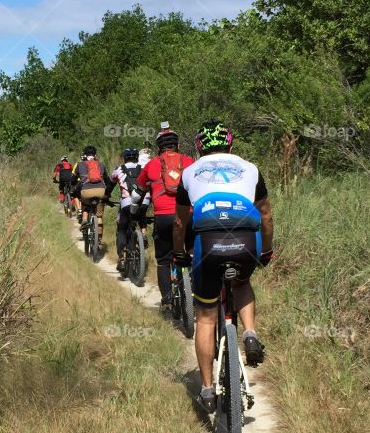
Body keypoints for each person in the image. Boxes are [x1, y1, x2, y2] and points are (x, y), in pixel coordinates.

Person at [172, 121, 274, 413]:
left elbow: (180, 223)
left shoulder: (190, 172)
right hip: (245, 238)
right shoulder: (251, 168)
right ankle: (250, 334)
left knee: (205, 317)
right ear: (231, 143)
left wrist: (179, 254)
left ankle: (206, 389)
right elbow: (266, 217)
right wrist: (266, 250)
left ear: (200, 146)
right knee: (241, 283)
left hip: (209, 241)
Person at [130, 123, 194, 308]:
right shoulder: (189, 161)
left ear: (159, 148)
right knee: (193, 252)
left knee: (164, 260)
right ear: (178, 146)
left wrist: (135, 211)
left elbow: (137, 194)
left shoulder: (151, 164)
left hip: (164, 218)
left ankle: (166, 301)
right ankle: (197, 295)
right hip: (188, 215)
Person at [109, 147, 147, 274]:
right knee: (141, 215)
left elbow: (110, 183)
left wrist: (105, 195)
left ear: (124, 158)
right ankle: (143, 233)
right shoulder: (143, 169)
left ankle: (121, 259)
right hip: (143, 202)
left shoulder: (119, 170)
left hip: (126, 203)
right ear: (136, 157)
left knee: (121, 228)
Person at [72, 145, 114, 248]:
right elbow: (108, 181)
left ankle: (85, 220)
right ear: (95, 155)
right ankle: (99, 241)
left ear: (84, 154)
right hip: (100, 191)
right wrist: (107, 194)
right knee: (99, 216)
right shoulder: (101, 164)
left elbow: (73, 180)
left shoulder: (80, 165)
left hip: (86, 192)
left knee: (85, 204)